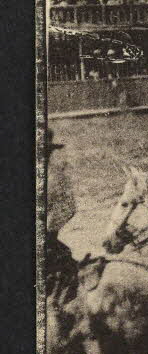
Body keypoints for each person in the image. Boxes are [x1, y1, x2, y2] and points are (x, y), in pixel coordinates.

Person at [45, 124, 78, 298]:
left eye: (46, 151)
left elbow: (69, 206)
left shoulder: (57, 176)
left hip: (46, 237)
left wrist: (49, 230)